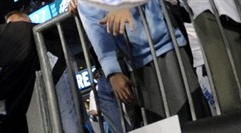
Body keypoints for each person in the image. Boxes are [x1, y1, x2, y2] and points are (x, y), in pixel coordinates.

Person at [76, 0, 211, 126]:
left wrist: (126, 4)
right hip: (136, 65)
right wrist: (112, 72)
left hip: (169, 47)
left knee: (195, 120)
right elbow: (96, 29)